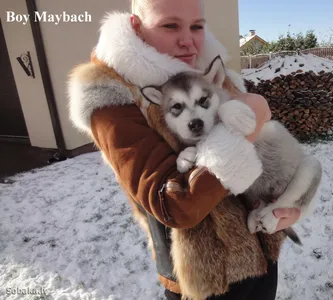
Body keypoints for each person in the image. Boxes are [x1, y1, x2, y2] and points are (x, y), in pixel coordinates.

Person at [68, 0, 302, 299]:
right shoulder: (110, 93)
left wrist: (284, 203)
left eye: (197, 26)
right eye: (170, 25)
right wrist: (244, 129)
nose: (188, 40)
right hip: (207, 280)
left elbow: (262, 155)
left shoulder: (208, 70)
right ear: (137, 27)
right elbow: (173, 204)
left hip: (262, 250)